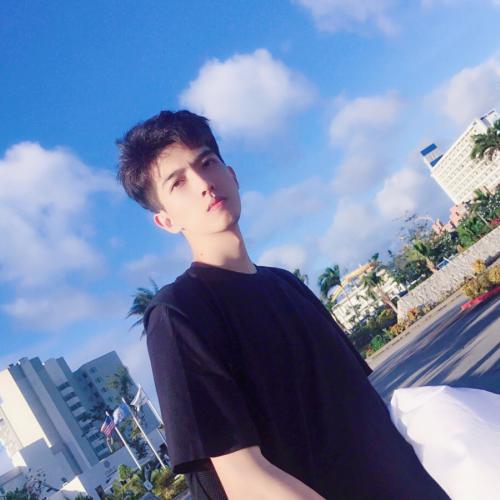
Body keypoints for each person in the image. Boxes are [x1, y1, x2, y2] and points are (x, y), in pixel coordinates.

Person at [116, 110, 449, 499]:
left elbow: (364, 410)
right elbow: (245, 480)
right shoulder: (178, 314)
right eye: (178, 183)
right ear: (166, 221)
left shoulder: (288, 284)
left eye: (206, 163)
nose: (204, 184)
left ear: (232, 175)